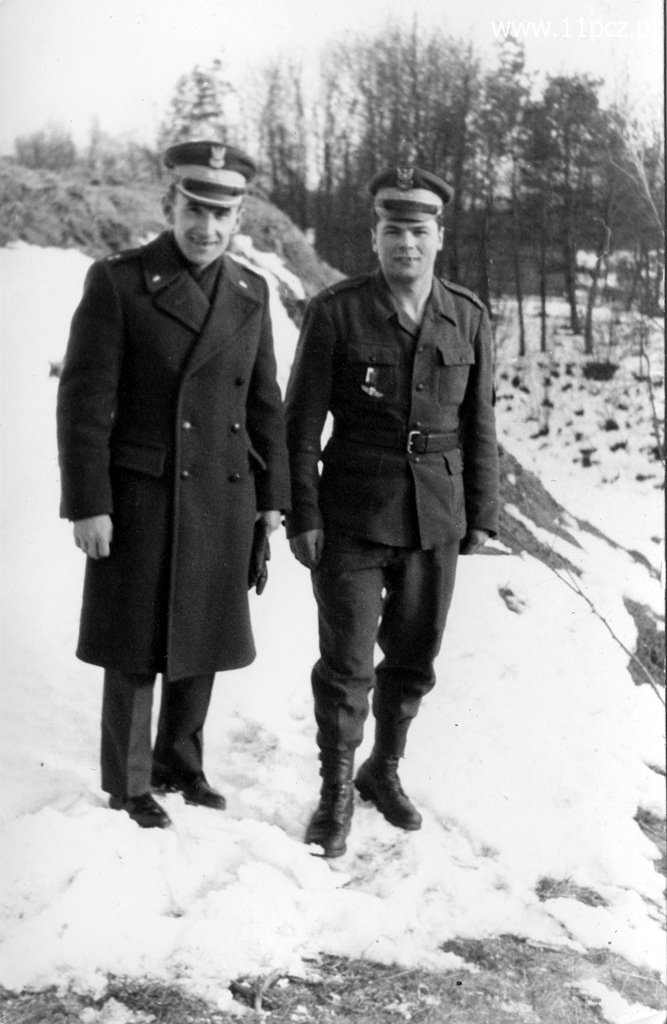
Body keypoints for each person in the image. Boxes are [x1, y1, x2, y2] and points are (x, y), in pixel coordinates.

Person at [57, 139, 291, 829]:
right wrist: (89, 503)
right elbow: (84, 404)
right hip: (142, 495)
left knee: (203, 632)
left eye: (222, 214)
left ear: (240, 216)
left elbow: (264, 404)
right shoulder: (118, 282)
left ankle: (181, 764)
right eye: (195, 210)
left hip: (223, 493)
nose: (206, 228)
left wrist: (272, 501)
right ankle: (130, 784)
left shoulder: (251, 291)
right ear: (171, 205)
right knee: (134, 642)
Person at [285, 166, 499, 857]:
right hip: (352, 513)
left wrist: (482, 513)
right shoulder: (336, 311)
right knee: (346, 663)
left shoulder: (468, 316)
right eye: (392, 229)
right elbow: (299, 425)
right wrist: (302, 514)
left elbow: (481, 424)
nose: (405, 242)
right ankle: (335, 792)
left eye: (418, 229)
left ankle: (383, 769)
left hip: (435, 516)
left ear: (439, 237)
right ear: (374, 236)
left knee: (413, 659)